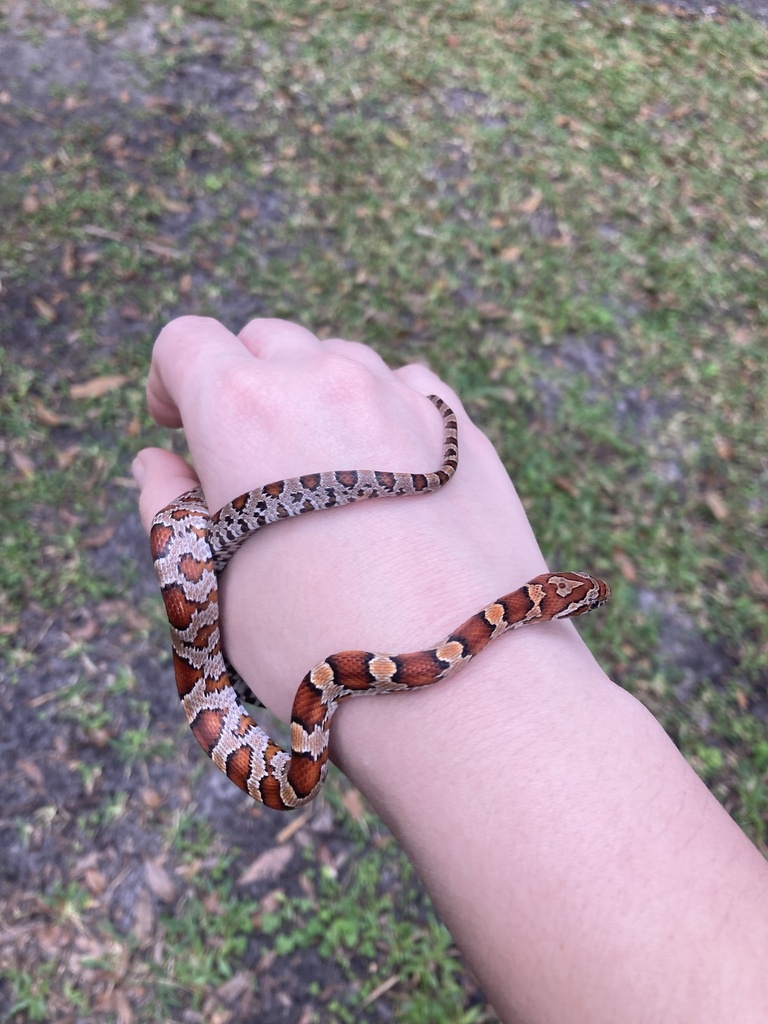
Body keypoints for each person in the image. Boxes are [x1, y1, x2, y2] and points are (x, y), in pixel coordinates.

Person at [133, 316, 768, 1024]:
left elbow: (302, 766)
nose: (583, 600)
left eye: (580, 599)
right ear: (546, 599)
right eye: (580, 596)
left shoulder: (443, 651)